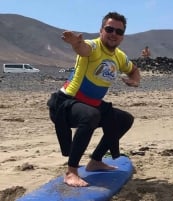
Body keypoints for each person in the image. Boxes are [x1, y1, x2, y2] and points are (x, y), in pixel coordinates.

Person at [47, 12, 140, 187]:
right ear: (101, 30)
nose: (113, 34)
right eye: (109, 29)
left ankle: (95, 161)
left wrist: (135, 80)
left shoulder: (119, 56)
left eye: (118, 32)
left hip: (91, 105)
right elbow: (83, 48)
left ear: (122, 37)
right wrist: (76, 43)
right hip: (66, 103)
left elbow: (134, 70)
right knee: (90, 115)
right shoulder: (93, 47)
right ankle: (71, 171)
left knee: (124, 119)